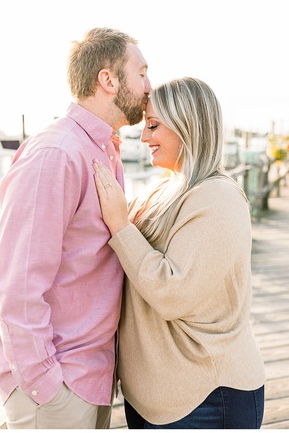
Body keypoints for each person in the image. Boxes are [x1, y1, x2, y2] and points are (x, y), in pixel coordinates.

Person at [0, 27, 151, 429]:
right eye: (143, 72)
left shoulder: (100, 149)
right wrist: (45, 384)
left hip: (92, 378)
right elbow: (17, 285)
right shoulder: (56, 153)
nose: (150, 86)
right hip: (57, 388)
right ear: (108, 80)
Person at [93, 77, 265, 428]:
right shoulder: (164, 188)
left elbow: (173, 292)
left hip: (206, 397)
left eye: (153, 125)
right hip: (156, 398)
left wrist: (120, 224)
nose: (144, 137)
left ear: (187, 125)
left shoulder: (217, 199)